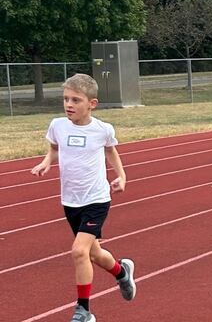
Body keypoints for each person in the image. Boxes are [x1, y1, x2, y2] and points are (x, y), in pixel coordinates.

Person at [30, 74, 136, 322]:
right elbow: (55, 148)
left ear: (92, 103)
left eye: (76, 100)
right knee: (93, 254)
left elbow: (111, 152)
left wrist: (121, 176)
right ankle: (122, 272)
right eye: (66, 99)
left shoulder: (102, 130)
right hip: (70, 201)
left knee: (78, 251)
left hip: (97, 199)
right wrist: (46, 162)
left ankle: (83, 311)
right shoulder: (57, 125)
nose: (69, 104)